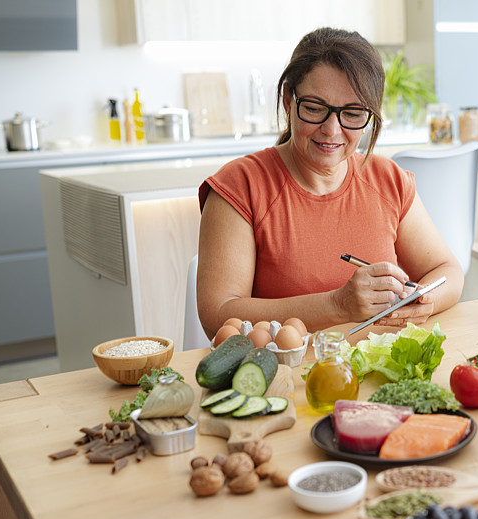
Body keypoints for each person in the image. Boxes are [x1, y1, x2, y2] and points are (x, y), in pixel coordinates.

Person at [196, 27, 463, 338]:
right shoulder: (241, 186)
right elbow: (218, 314)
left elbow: (448, 272)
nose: (332, 130)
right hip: (284, 376)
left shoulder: (388, 179)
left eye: (352, 114)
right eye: (314, 108)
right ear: (288, 101)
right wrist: (337, 306)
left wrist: (421, 301)